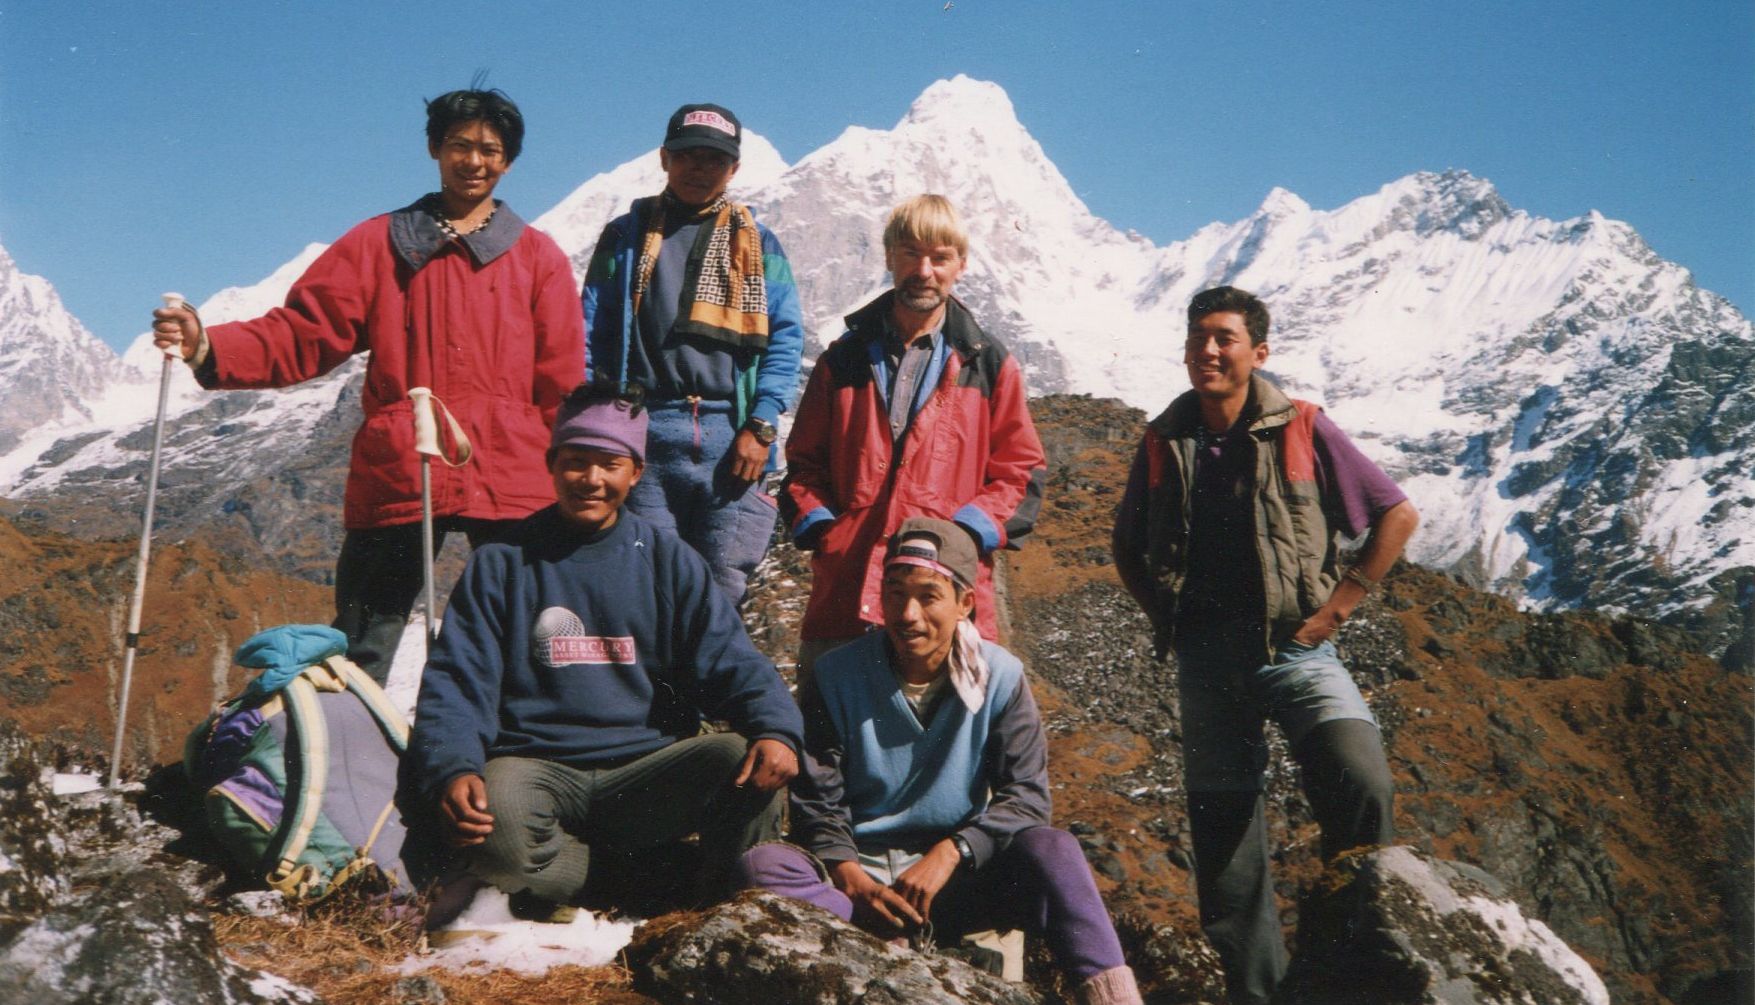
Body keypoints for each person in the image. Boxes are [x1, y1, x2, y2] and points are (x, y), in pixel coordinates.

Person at [150, 88, 584, 683]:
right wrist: (209, 344)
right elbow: (304, 332)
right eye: (460, 145)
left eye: (490, 149)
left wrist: (571, 464)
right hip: (402, 468)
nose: (474, 161)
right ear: (434, 148)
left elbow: (561, 380)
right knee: (366, 644)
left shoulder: (540, 259)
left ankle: (505, 768)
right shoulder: (377, 244)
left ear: (508, 161)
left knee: (519, 638)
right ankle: (355, 766)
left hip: (510, 473)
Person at [1111, 286, 1419, 1004]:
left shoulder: (1303, 427)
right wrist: (1164, 612)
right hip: (1206, 656)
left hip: (1297, 647)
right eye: (1198, 338)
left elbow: (1395, 515)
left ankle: (1359, 959)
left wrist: (1339, 609)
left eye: (1223, 338)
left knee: (1361, 780)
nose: (1208, 351)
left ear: (1258, 351)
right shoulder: (1162, 439)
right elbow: (1126, 543)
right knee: (1225, 848)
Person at [398, 380, 803, 917]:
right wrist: (455, 768)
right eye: (576, 462)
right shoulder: (501, 563)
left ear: (635, 473)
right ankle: (643, 881)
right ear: (552, 464)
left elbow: (729, 658)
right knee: (493, 832)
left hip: (647, 771)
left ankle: (677, 895)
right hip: (535, 766)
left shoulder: (669, 560)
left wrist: (777, 730)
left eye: (610, 465)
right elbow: (457, 679)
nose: (591, 479)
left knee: (741, 764)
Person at [740, 518, 1142, 1005]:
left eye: (929, 596)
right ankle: (885, 938)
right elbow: (819, 805)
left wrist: (953, 851)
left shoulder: (999, 678)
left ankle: (1112, 997)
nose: (908, 614)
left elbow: (1027, 798)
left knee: (1053, 849)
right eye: (895, 592)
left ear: (964, 603)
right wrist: (851, 878)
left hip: (952, 879)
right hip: (860, 883)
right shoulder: (836, 675)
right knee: (764, 866)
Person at [781, 195, 1046, 678]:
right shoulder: (842, 359)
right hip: (847, 583)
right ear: (888, 257)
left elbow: (1021, 470)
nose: (924, 270)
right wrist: (826, 530)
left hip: (946, 596)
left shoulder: (988, 365)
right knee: (832, 743)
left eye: (940, 257)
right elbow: (803, 465)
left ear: (960, 265)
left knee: (949, 743)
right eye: (910, 254)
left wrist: (962, 536)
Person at [581, 102, 804, 605]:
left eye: (713, 159)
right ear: (664, 158)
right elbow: (589, 328)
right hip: (645, 432)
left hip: (734, 442)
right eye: (687, 156)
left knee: (722, 592)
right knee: (648, 586)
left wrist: (761, 425)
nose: (699, 169)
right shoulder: (625, 237)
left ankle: (703, 688)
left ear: (734, 169)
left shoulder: (760, 243)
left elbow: (785, 338)